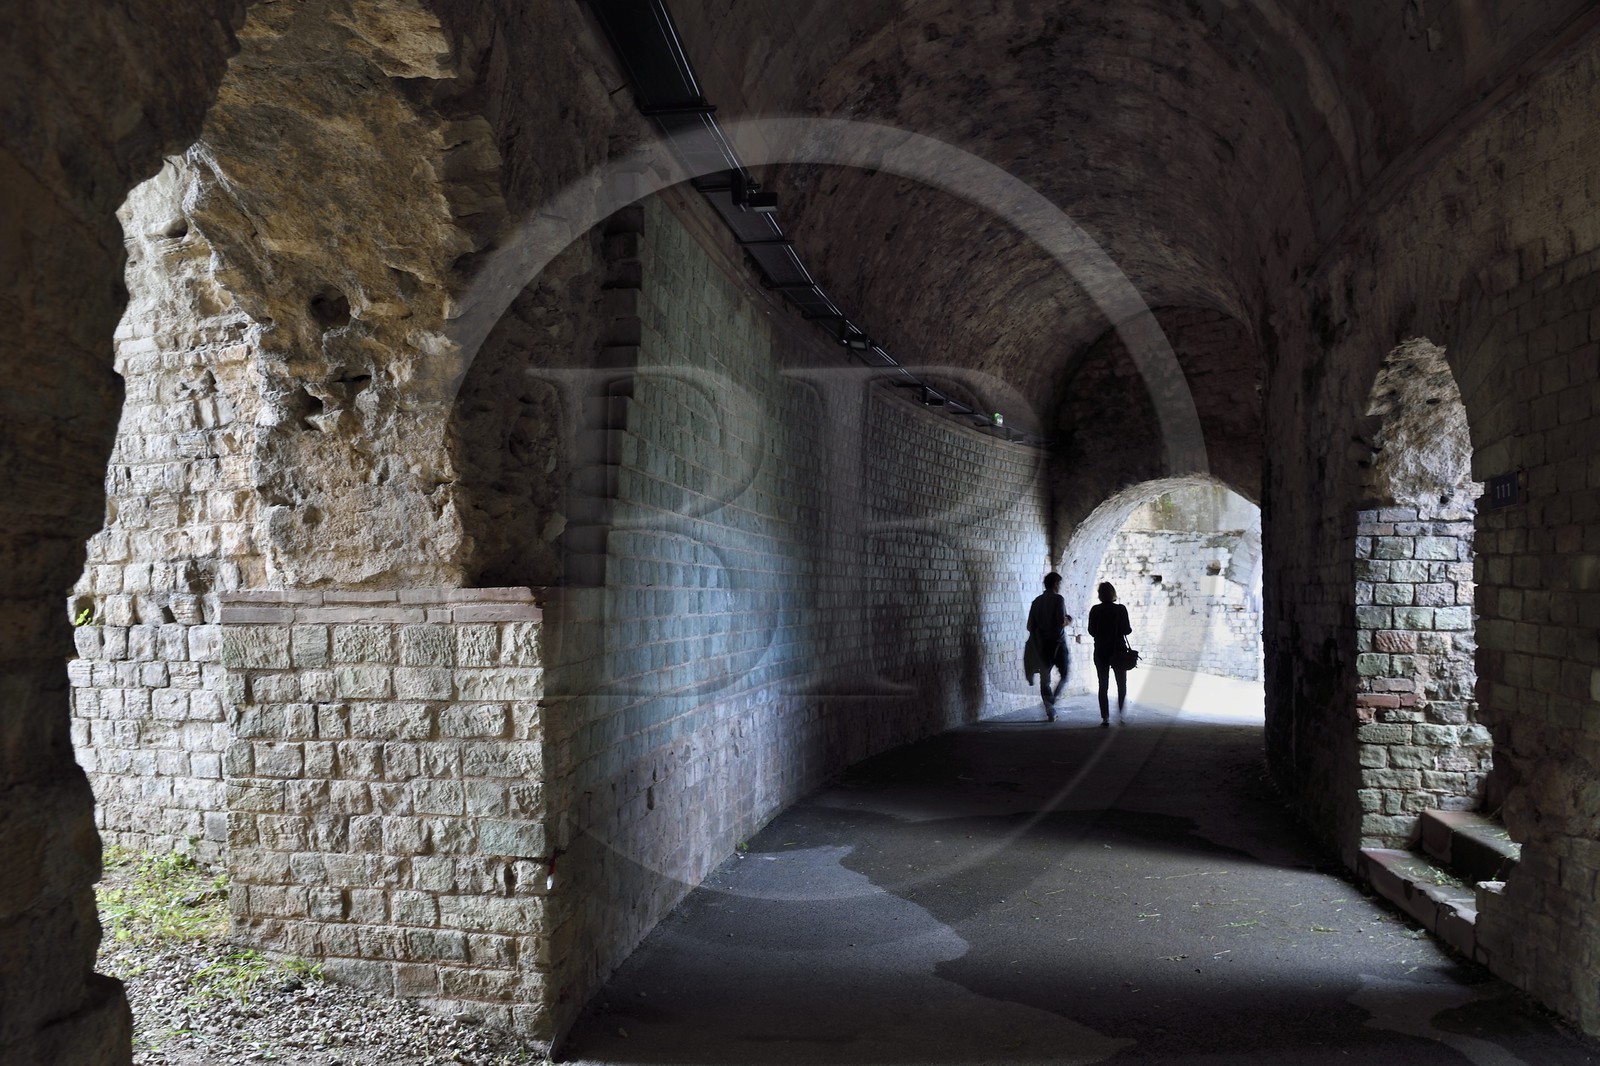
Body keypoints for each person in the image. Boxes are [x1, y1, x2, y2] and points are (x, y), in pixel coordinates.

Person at [1026, 573, 1071, 719]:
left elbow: (1030, 626)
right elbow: (1060, 621)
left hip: (1042, 646)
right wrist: (1068, 620)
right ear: (1056, 583)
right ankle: (1052, 700)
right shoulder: (1059, 599)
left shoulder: (1036, 602)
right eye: (1059, 583)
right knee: (1064, 674)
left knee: (1045, 680)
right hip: (1057, 644)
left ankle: (1050, 711)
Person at [1087, 581, 1132, 726]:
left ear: (1100, 595)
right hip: (1118, 650)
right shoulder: (1121, 609)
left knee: (1103, 684)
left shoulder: (1095, 610)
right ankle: (1121, 714)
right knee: (1121, 684)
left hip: (1101, 650)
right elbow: (1127, 630)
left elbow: (1091, 631)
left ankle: (1105, 717)